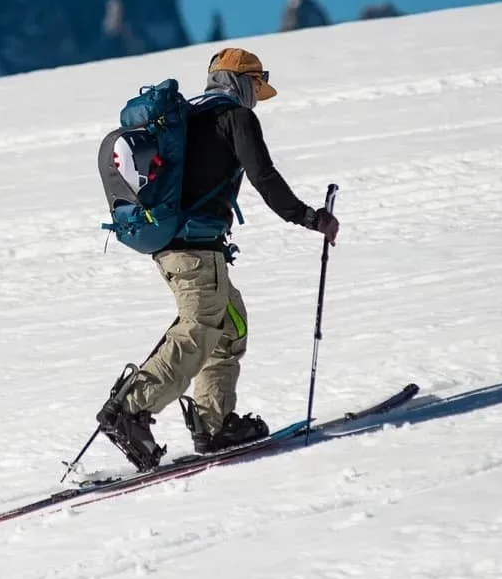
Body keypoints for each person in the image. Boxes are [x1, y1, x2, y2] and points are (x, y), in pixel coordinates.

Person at [95, 47, 339, 470]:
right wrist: (310, 218)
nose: (256, 99)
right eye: (256, 88)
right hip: (194, 249)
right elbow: (264, 177)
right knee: (201, 325)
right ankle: (130, 410)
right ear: (241, 82)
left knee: (230, 325)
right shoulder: (235, 118)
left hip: (180, 246)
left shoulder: (186, 117)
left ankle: (212, 423)